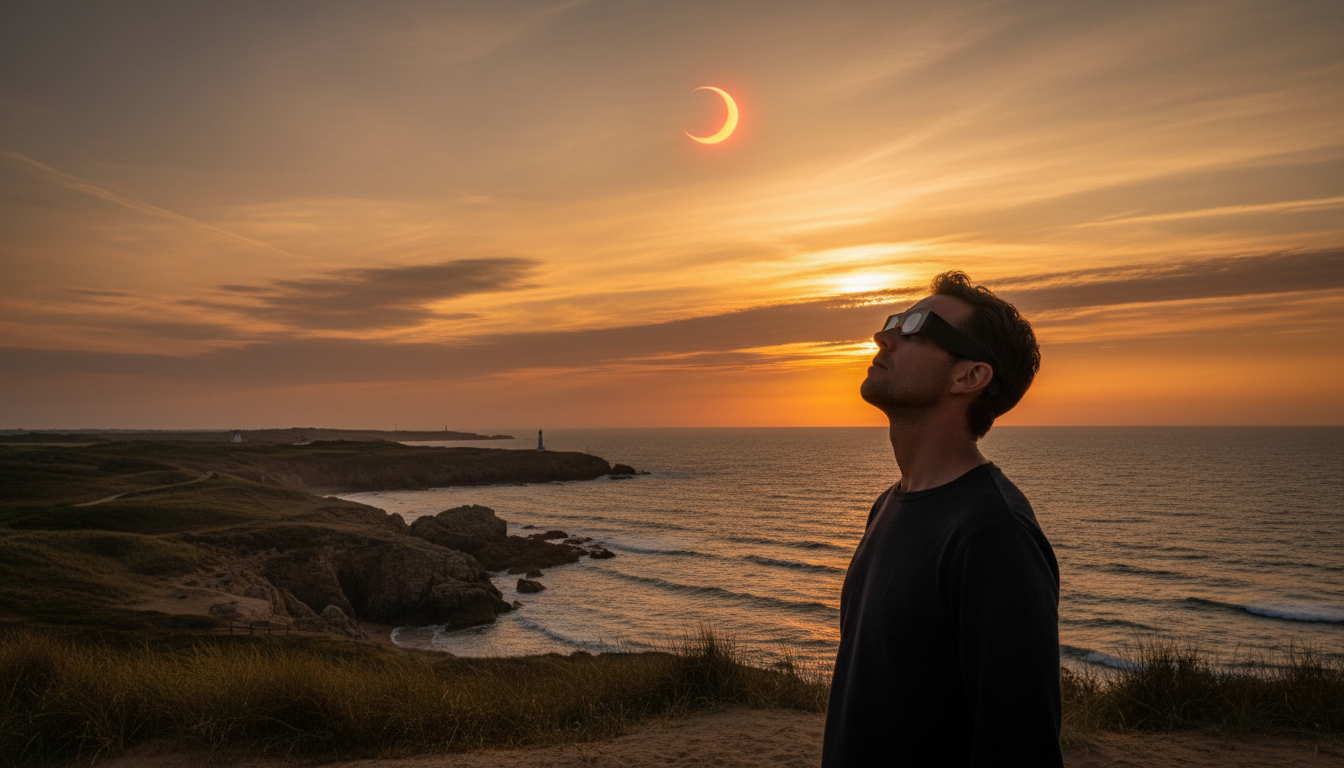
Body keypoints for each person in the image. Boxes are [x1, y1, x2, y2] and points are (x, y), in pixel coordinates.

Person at [822, 271, 1062, 767]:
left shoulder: (994, 535)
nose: (884, 336)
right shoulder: (890, 504)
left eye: (916, 326)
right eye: (895, 321)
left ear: (969, 376)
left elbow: (1020, 747)